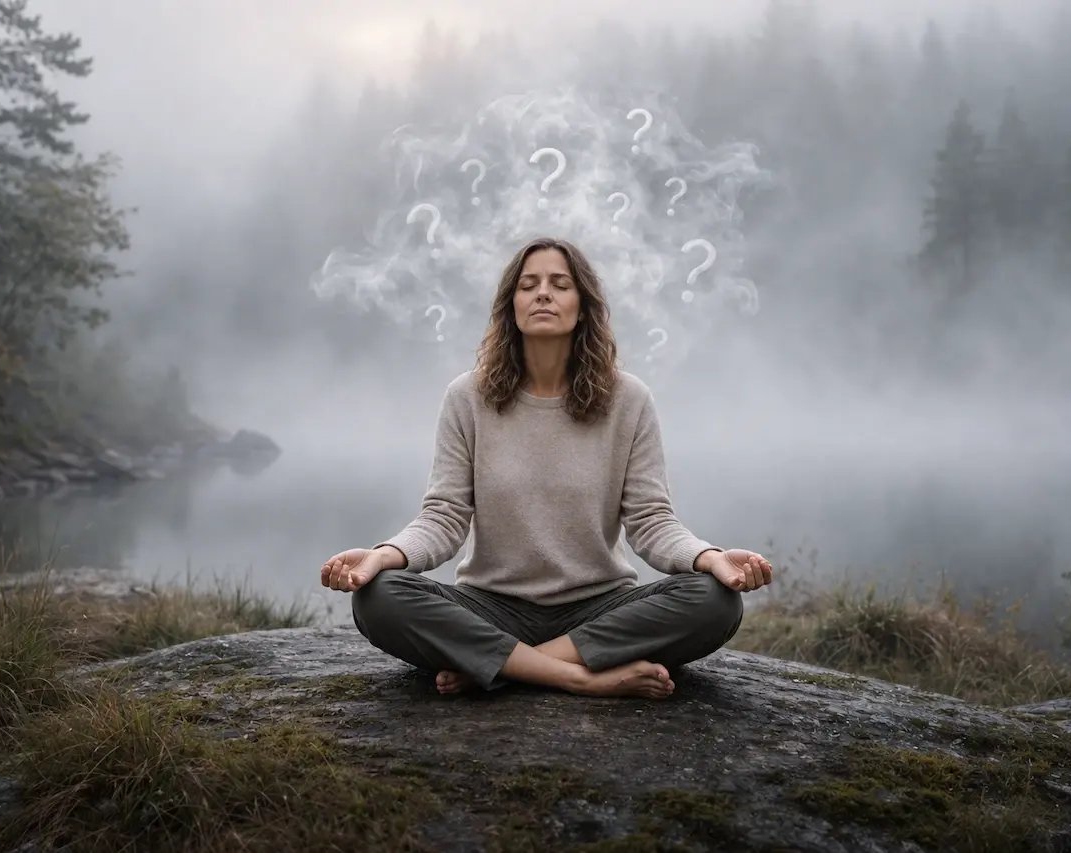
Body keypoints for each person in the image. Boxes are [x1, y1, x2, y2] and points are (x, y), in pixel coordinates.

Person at [320, 236, 773, 699]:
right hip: (490, 607)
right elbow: (444, 517)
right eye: (528, 285)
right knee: (379, 596)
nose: (542, 294)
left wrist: (710, 558)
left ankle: (503, 665)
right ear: (510, 306)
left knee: (715, 601)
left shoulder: (629, 400)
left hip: (597, 608)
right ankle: (577, 676)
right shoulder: (467, 397)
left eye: (560, 284)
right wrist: (381, 555)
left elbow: (651, 521)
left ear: (584, 306)